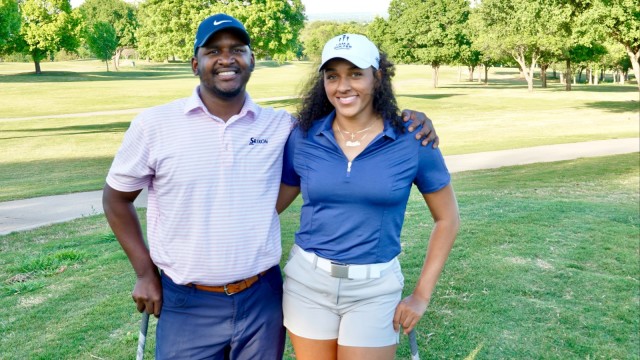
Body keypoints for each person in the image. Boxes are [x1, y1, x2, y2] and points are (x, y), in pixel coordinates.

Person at [103, 14, 438, 360]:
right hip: (188, 300)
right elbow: (116, 198)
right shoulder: (154, 125)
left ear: (251, 60)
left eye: (237, 49)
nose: (226, 59)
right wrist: (144, 272)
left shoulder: (281, 126)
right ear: (194, 63)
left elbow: (320, 150)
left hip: (261, 297)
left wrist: (411, 120)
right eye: (213, 51)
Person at [276, 34, 460, 360]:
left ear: (378, 77)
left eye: (355, 73)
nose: (343, 86)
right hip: (307, 284)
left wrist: (421, 296)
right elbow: (270, 206)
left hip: (374, 290)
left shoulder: (412, 139)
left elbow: (447, 219)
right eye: (332, 76)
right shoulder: (304, 136)